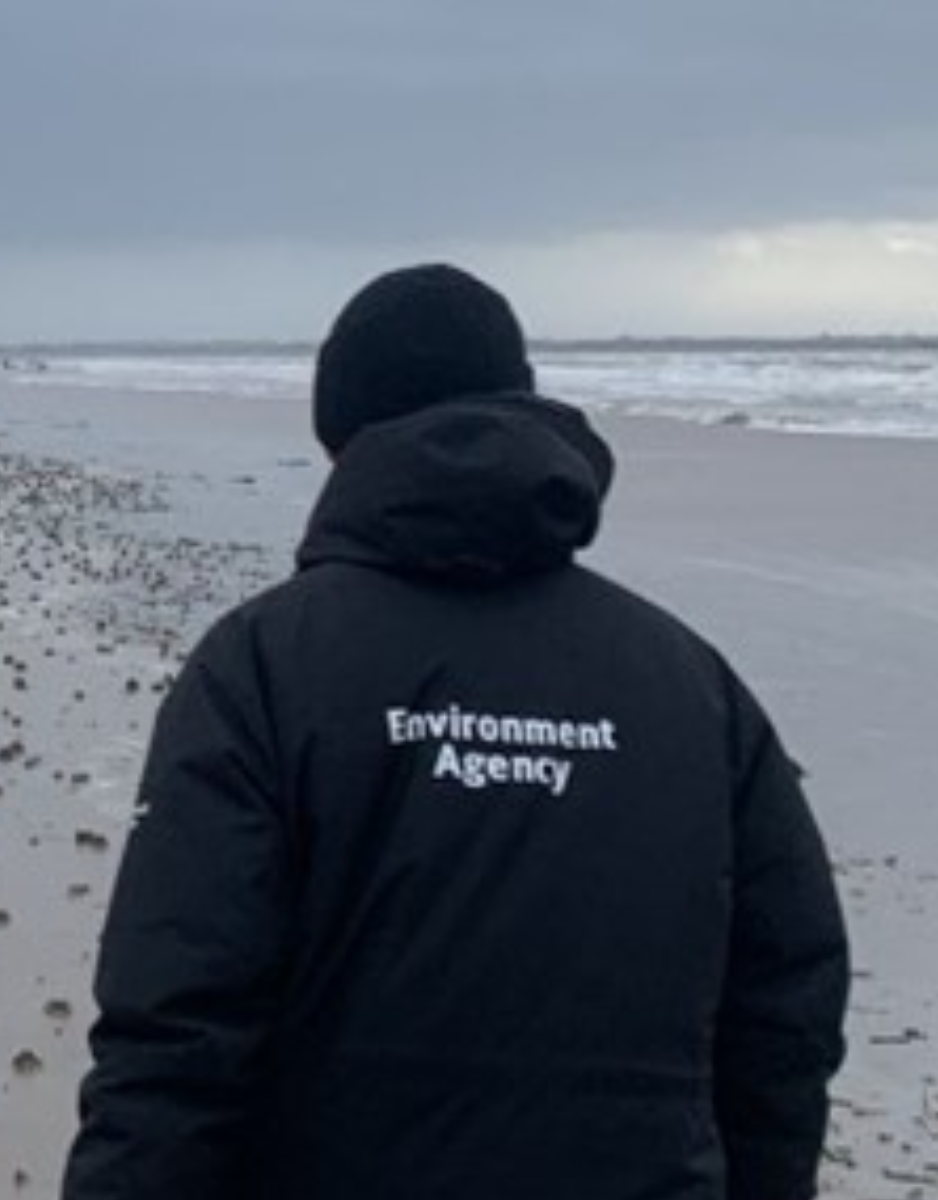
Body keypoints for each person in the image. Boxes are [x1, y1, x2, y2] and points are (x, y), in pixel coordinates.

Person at [61, 264, 849, 1200]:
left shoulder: (262, 664)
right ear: (524, 404)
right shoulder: (691, 683)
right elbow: (788, 1013)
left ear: (342, 439)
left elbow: (174, 1030)